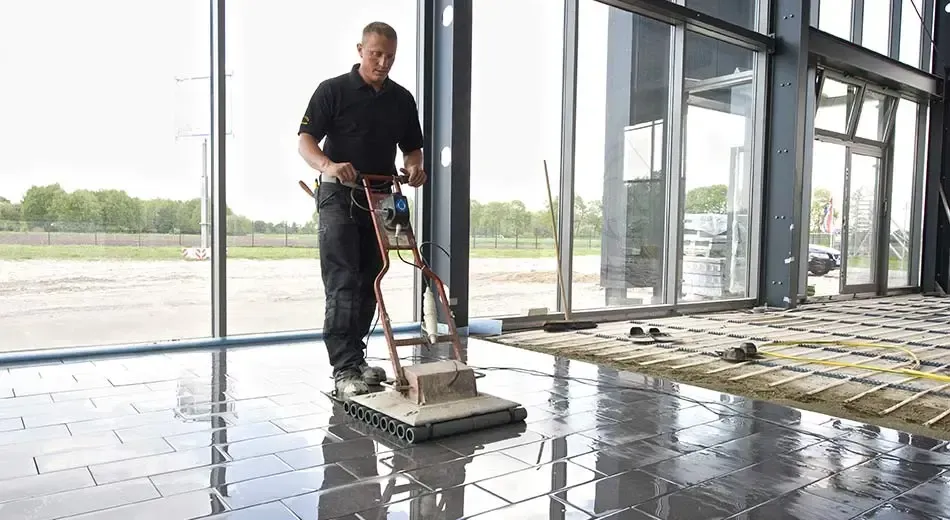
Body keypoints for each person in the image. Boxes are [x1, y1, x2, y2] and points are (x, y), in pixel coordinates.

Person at [298, 21, 427, 400]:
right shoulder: (332, 91)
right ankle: (343, 367)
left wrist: (416, 167)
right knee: (343, 280)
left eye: (390, 56)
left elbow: (412, 147)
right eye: (376, 54)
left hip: (384, 195)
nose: (383, 62)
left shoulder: (402, 100)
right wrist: (328, 166)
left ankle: (357, 358)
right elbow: (305, 140)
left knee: (372, 276)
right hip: (339, 195)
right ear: (360, 50)